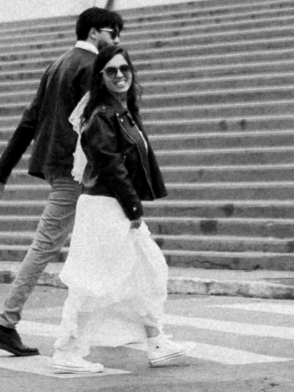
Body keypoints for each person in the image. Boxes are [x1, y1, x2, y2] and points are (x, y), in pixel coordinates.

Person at [0, 6, 125, 357]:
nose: (117, 39)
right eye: (113, 32)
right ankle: (5, 323)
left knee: (109, 240)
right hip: (76, 168)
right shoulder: (91, 66)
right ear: (94, 33)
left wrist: (2, 172)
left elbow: (29, 121)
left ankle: (121, 324)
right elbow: (98, 124)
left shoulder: (57, 64)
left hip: (58, 164)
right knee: (47, 244)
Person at [50, 45, 191, 374]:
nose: (119, 76)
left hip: (115, 205)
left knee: (145, 271)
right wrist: (133, 209)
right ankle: (67, 352)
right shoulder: (102, 116)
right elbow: (112, 168)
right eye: (111, 71)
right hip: (103, 207)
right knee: (93, 282)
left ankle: (156, 342)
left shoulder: (123, 111)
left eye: (124, 69)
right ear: (101, 77)